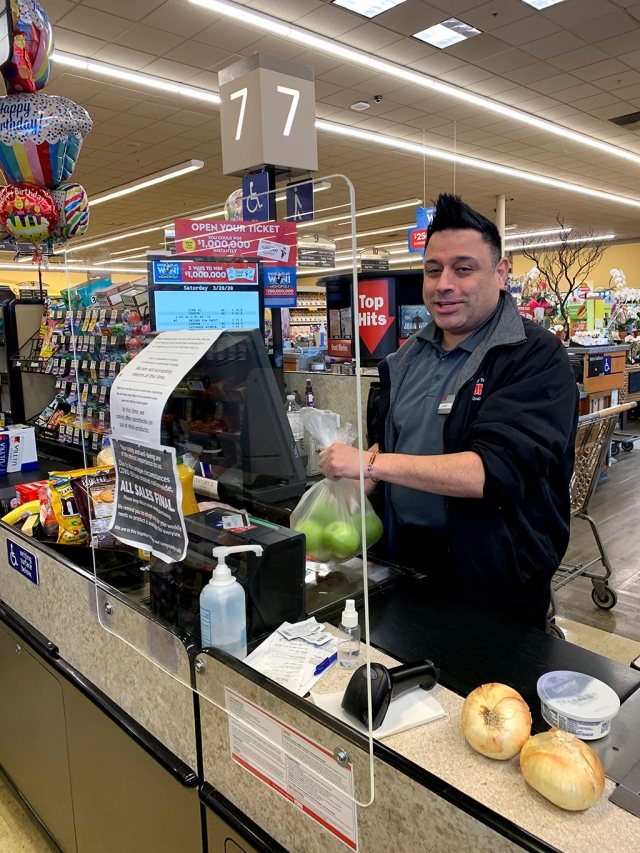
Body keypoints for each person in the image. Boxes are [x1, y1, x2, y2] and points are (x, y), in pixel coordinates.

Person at [319, 193, 579, 631]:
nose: (444, 284)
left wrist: (372, 462)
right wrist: (363, 475)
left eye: (463, 268)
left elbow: (492, 471)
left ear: (500, 272)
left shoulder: (535, 356)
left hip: (494, 578)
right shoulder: (408, 358)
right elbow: (409, 439)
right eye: (433, 269)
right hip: (404, 564)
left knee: (490, 696)